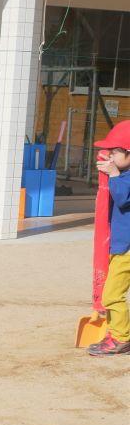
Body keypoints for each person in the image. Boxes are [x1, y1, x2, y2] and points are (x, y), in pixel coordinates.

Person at [89, 120, 130, 356]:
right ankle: (118, 333)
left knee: (112, 294)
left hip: (127, 248)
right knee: (113, 292)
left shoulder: (123, 177)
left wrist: (113, 175)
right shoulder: (123, 173)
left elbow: (123, 198)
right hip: (121, 245)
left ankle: (121, 338)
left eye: (115, 152)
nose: (111, 157)